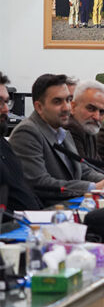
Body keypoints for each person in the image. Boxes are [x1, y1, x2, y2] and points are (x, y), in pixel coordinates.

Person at [8, 74, 104, 204]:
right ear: (39, 107)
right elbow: (40, 183)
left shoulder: (62, 132)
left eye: (68, 100)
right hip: (44, 211)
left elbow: (83, 170)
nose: (67, 108)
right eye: (57, 102)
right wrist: (91, 187)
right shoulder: (27, 132)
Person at [0, 72, 43, 211]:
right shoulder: (26, 132)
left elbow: (22, 189)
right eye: (0, 102)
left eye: (7, 102)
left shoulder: (4, 145)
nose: (6, 109)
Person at [67, 79, 104, 162]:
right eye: (91, 108)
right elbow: (83, 168)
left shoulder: (90, 128)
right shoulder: (71, 128)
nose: (96, 117)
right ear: (73, 107)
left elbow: (98, 164)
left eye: (101, 112)